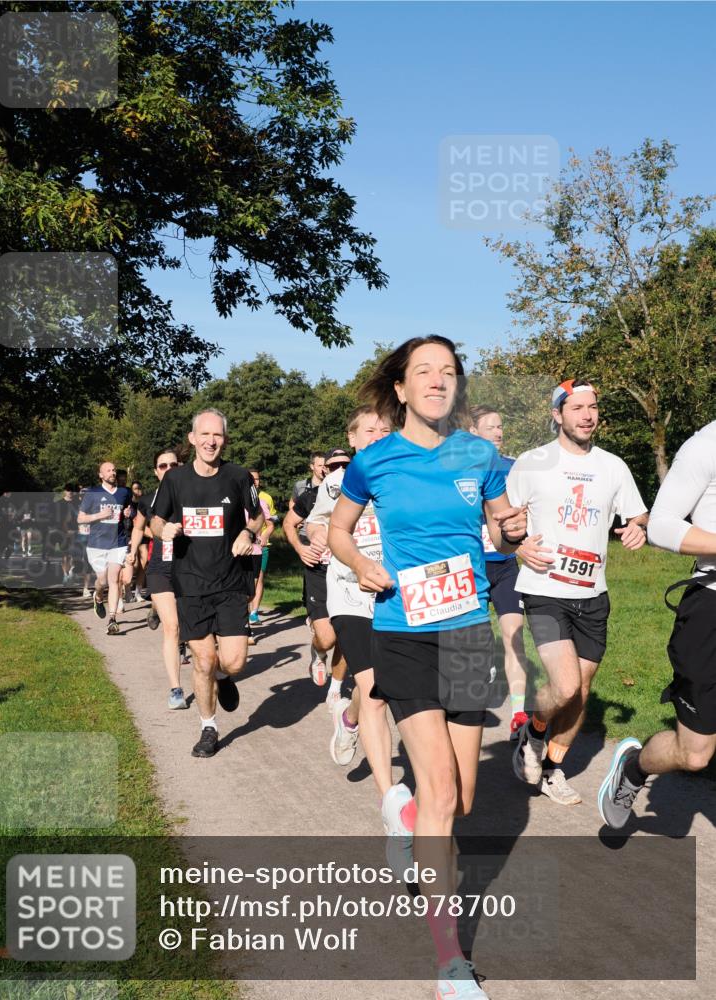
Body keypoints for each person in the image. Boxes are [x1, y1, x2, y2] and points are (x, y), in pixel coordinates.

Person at [329, 335, 527, 1000]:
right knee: (443, 794)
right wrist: (360, 564)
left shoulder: (482, 455)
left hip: (469, 629)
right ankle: (451, 963)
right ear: (403, 389)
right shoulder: (374, 461)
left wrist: (514, 532)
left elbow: (501, 530)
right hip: (405, 632)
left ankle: (411, 821)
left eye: (449, 371)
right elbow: (337, 530)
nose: (438, 380)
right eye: (425, 372)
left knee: (462, 799)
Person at [507, 379, 648, 806]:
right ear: (557, 415)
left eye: (592, 407)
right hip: (544, 588)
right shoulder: (531, 463)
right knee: (565, 686)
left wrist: (637, 529)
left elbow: (638, 514)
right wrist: (516, 543)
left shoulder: (613, 466)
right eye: (577, 408)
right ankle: (531, 733)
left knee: (582, 691)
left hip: (593, 594)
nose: (587, 415)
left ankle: (552, 767)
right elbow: (501, 526)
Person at [598, 420, 716, 828]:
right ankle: (634, 768)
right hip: (711, 608)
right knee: (695, 754)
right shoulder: (706, 445)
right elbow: (662, 525)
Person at [150, 409, 263, 759]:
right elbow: (155, 520)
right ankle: (208, 727)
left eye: (217, 436)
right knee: (202, 659)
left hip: (230, 581)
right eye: (205, 435)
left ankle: (225, 678)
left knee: (234, 662)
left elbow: (259, 516)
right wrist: (163, 529)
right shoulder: (175, 480)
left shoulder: (238, 477)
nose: (211, 441)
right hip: (190, 583)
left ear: (224, 440)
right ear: (192, 438)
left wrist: (247, 531)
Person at [306, 407, 401, 805]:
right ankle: (391, 802)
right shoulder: (339, 481)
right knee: (374, 690)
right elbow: (315, 523)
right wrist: (315, 537)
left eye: (385, 429)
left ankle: (348, 720)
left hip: (394, 595)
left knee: (383, 684)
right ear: (353, 439)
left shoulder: (404, 477)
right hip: (349, 595)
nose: (378, 435)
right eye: (369, 430)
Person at [469, 405, 529, 739]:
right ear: (473, 432)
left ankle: (519, 713)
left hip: (506, 565)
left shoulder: (515, 468)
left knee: (514, 636)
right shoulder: (459, 469)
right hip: (472, 566)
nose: (498, 431)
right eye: (490, 426)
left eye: (501, 425)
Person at [282, 452, 349, 694]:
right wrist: (300, 549)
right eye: (335, 466)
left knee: (347, 635)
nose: (340, 469)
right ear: (325, 470)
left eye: (345, 465)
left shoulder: (362, 496)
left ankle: (337, 687)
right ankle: (318, 651)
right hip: (319, 571)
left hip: (349, 573)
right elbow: (288, 524)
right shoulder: (310, 496)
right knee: (328, 637)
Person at [128, 450, 188, 710]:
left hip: (191, 568)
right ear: (155, 471)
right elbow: (139, 527)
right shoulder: (149, 500)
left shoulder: (193, 493)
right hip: (160, 569)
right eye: (162, 465)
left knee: (192, 629)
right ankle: (176, 689)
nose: (168, 468)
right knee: (171, 628)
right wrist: (132, 552)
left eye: (173, 464)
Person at [78, 461, 133, 636]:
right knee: (102, 581)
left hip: (118, 541)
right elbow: (81, 518)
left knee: (114, 579)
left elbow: (130, 511)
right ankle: (98, 595)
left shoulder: (125, 492)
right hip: (97, 544)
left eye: (114, 470)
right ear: (100, 475)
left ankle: (112, 620)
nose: (112, 472)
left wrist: (128, 513)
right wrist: (99, 515)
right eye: (108, 470)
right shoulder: (92, 493)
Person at [247, 469, 278, 624]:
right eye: (251, 479)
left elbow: (271, 523)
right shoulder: (237, 497)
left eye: (257, 479)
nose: (255, 482)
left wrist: (265, 536)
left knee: (258, 579)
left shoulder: (265, 499)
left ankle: (253, 612)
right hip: (242, 548)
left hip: (260, 546)